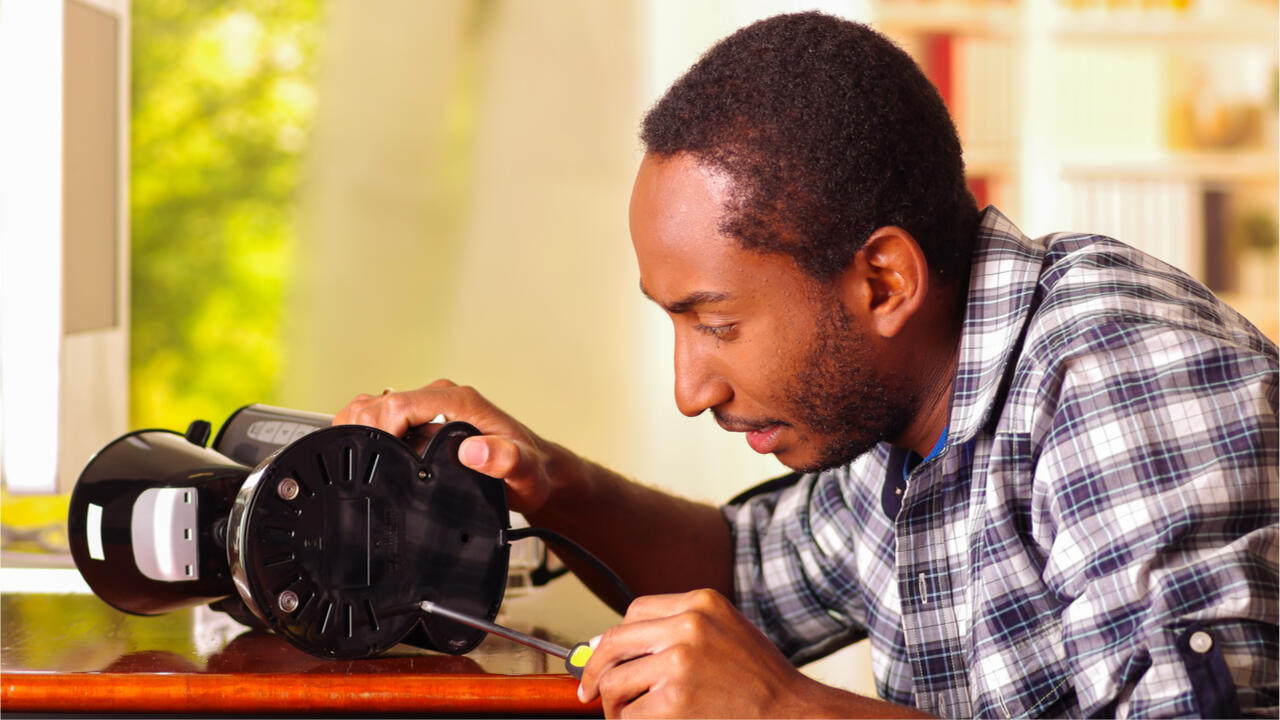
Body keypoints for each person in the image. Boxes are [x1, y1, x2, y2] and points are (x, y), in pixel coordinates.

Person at [335, 12, 1278, 718]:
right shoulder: (895, 404)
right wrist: (547, 478)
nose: (689, 389)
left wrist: (786, 709)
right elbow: (745, 576)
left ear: (881, 280)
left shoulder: (1118, 380)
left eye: (716, 323)